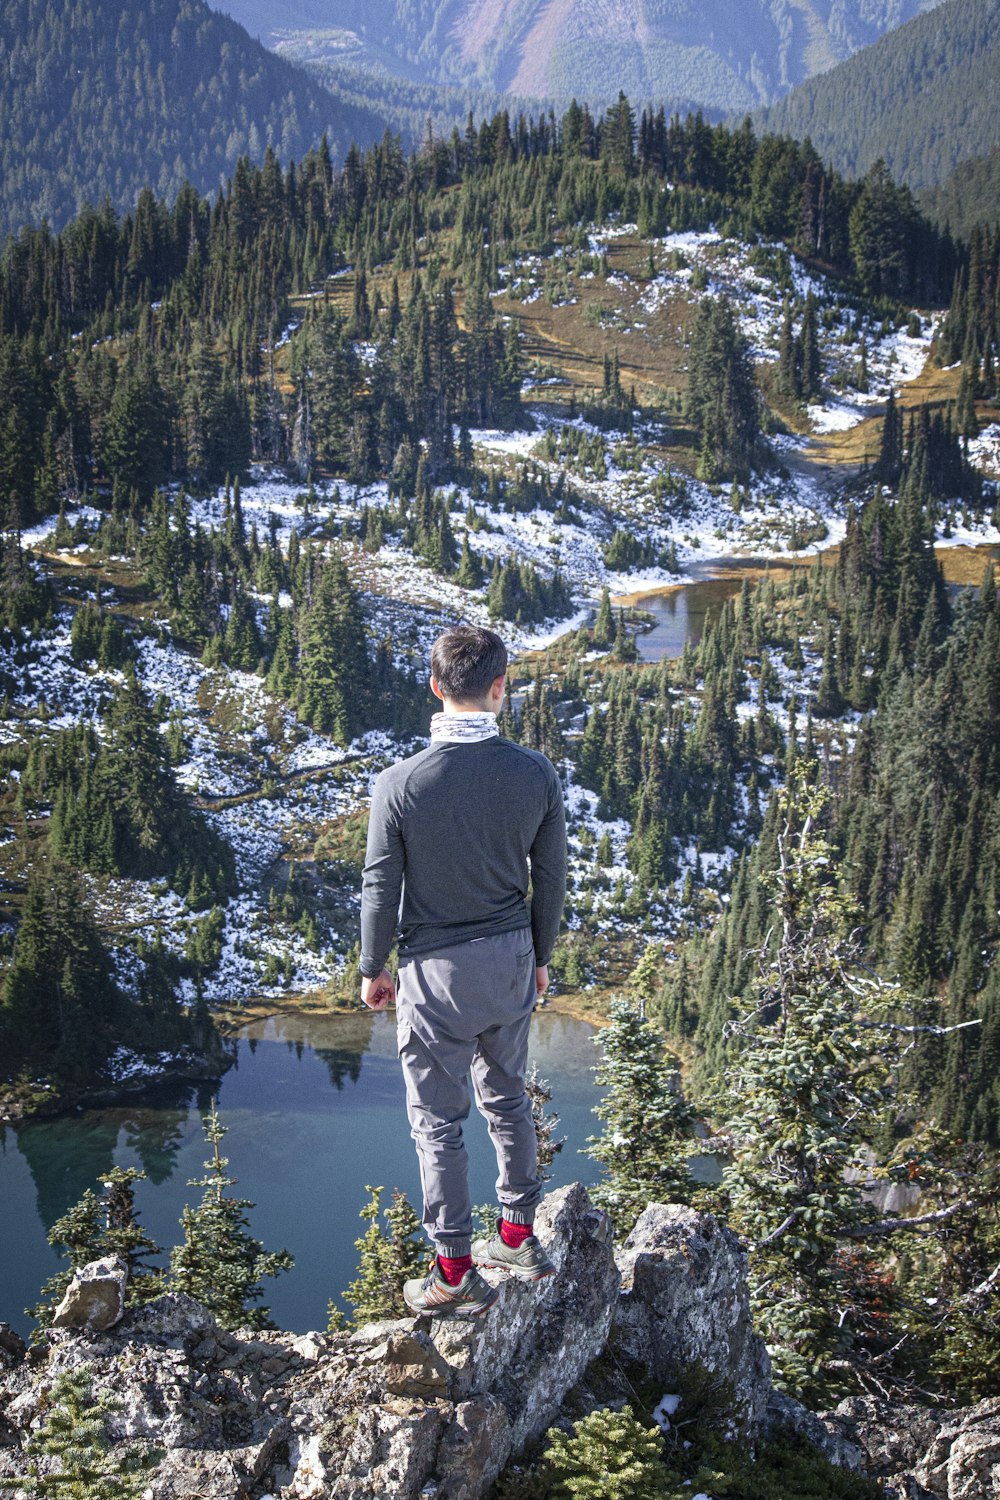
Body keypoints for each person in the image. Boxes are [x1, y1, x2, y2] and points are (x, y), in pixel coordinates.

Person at [359, 624, 567, 1317]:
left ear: (435, 687)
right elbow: (551, 879)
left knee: (437, 1122)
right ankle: (516, 1237)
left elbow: (381, 888)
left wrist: (372, 967)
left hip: (433, 974)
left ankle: (453, 1274)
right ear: (502, 687)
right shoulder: (535, 773)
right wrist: (540, 960)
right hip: (510, 959)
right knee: (507, 1099)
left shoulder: (398, 784)